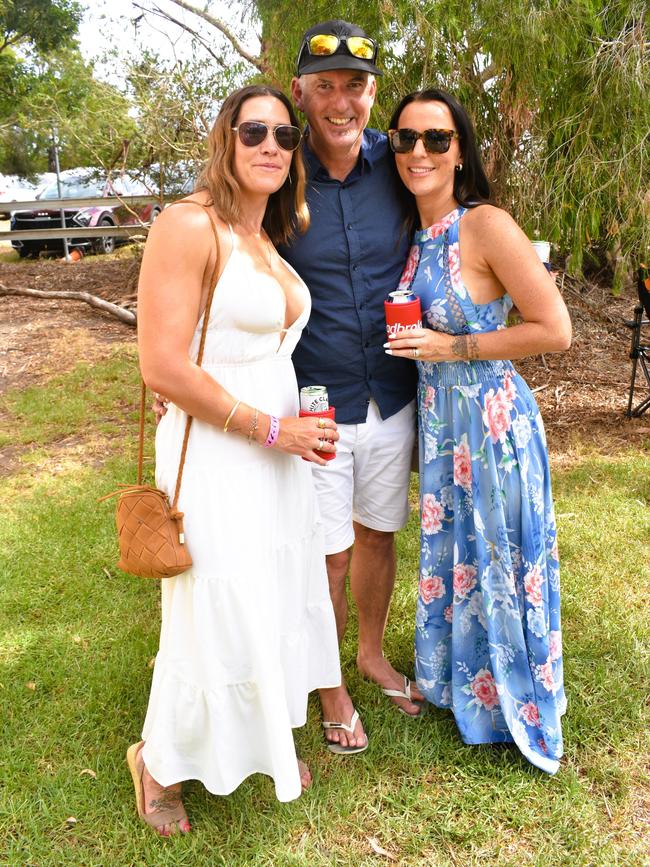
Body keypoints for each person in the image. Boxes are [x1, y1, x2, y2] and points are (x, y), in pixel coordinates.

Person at [129, 84, 343, 835]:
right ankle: (157, 763)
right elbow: (162, 363)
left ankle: (264, 743)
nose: (271, 146)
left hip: (276, 451)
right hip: (223, 447)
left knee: (273, 590)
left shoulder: (268, 239)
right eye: (254, 130)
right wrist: (268, 428)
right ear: (225, 138)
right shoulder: (188, 224)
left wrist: (298, 429)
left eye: (286, 136)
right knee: (213, 604)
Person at [385, 88, 571, 773]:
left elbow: (555, 328)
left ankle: (514, 701)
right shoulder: (413, 233)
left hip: (491, 424)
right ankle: (461, 684)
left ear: (460, 150)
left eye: (437, 138)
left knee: (501, 557)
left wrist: (454, 348)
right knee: (458, 554)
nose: (420, 152)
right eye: (405, 140)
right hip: (441, 426)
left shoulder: (484, 224)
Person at [279, 19, 426, 747]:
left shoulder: (401, 165)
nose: (342, 102)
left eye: (356, 86)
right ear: (301, 92)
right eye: (326, 85)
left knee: (378, 533)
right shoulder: (278, 170)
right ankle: (329, 681)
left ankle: (369, 652)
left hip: (393, 392)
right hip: (318, 400)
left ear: (374, 93)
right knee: (329, 551)